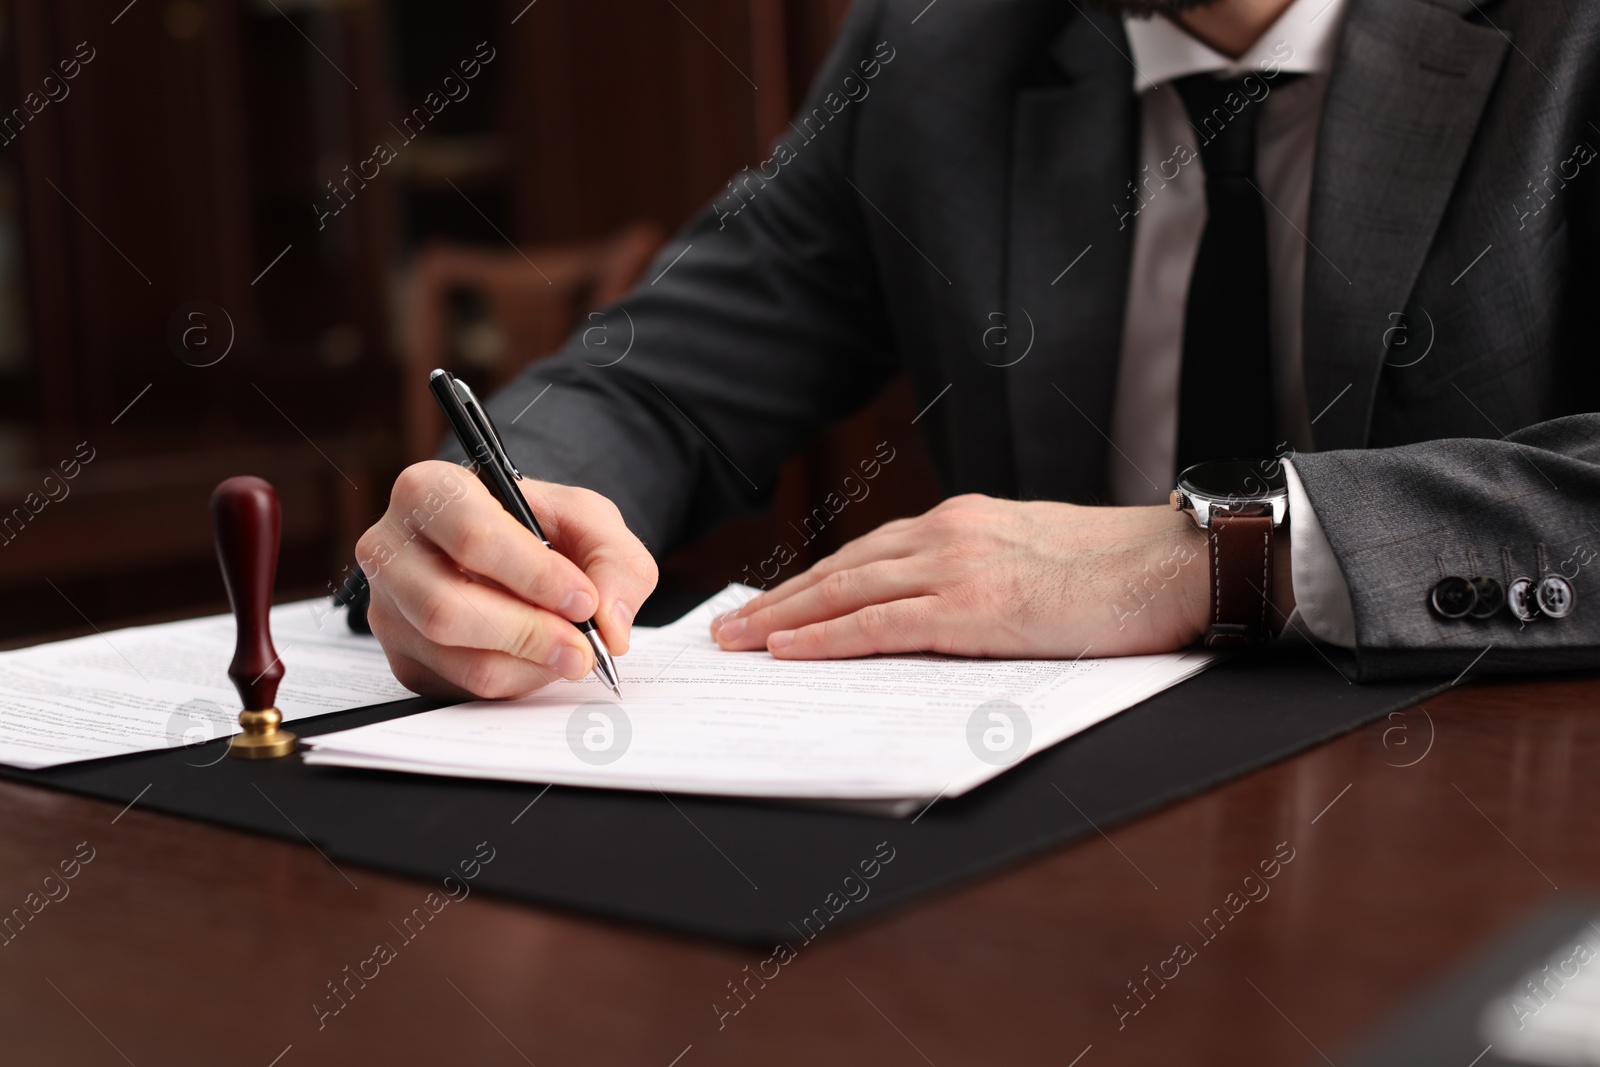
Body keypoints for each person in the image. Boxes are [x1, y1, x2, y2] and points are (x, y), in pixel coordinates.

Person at [356, 0, 1600, 699]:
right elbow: (655, 380)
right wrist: (481, 517)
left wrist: (1201, 557)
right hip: (1039, 838)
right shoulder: (939, 50)